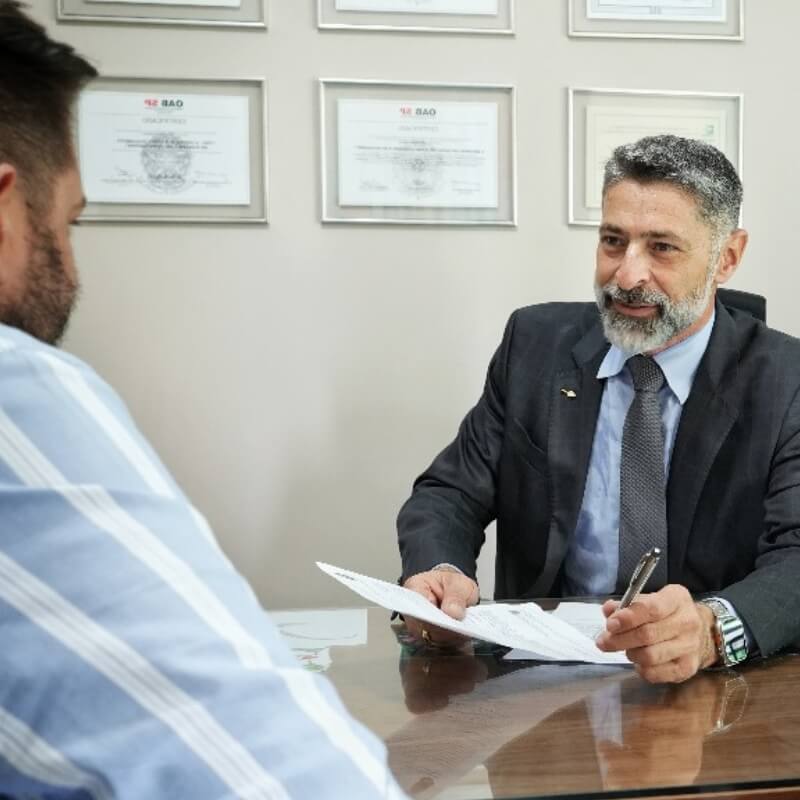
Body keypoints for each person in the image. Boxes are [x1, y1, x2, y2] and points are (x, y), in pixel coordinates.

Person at [0, 4, 406, 797]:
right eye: (66, 226)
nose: (73, 274)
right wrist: (442, 564)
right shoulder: (15, 394)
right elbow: (284, 780)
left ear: (730, 255)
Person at [398, 133, 800, 684]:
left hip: (715, 683)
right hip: (541, 679)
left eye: (661, 248)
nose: (626, 276)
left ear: (726, 257)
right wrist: (438, 572)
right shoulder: (535, 345)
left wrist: (712, 631)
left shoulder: (785, 379)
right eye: (614, 241)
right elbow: (451, 492)